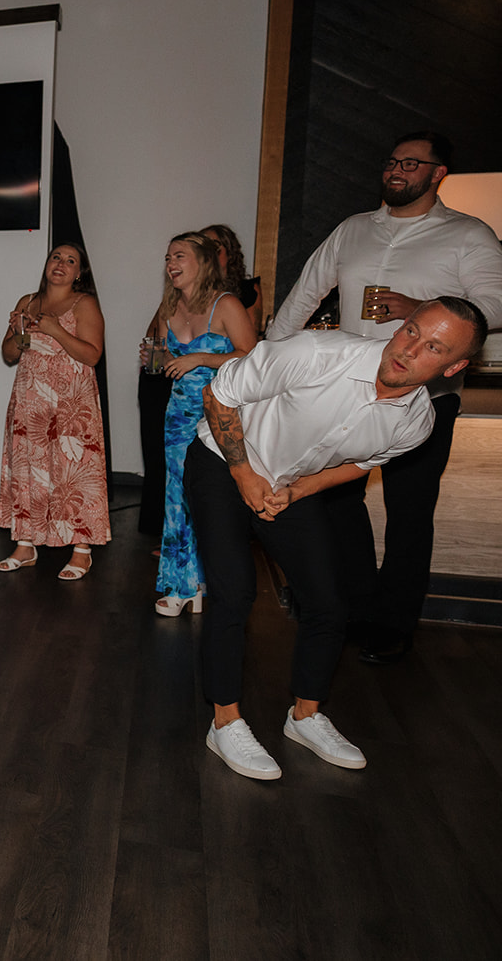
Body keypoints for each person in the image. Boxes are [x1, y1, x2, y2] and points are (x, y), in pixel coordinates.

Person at [190, 297, 485, 780]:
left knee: (329, 601)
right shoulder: (315, 352)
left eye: (433, 347)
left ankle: (304, 716)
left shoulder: (416, 423)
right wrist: (244, 475)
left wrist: (299, 490)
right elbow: (220, 395)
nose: (409, 349)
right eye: (411, 330)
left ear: (453, 367)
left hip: (291, 483)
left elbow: (362, 463)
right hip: (224, 462)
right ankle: (225, 722)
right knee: (234, 592)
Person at [268, 132, 502, 663]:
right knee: (336, 502)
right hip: (348, 391)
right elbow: (306, 291)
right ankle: (353, 604)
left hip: (426, 396)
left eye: (412, 163)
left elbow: (496, 303)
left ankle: (392, 623)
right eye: (393, 162)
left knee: (409, 510)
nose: (397, 170)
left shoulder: (468, 235)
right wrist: (270, 359)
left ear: (438, 173)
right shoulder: (353, 230)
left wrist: (419, 308)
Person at [150, 233, 257, 615]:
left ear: (203, 262)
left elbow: (251, 358)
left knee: (212, 502)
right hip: (179, 416)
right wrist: (156, 356)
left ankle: (210, 582)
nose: (170, 262)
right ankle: (183, 585)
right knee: (176, 500)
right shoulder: (169, 307)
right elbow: (165, 363)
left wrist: (198, 358)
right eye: (167, 256)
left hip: (219, 417)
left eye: (178, 255)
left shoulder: (226, 304)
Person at [0, 241, 110, 579]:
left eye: (70, 260)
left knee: (72, 471)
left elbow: (92, 356)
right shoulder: (27, 301)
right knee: (28, 468)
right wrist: (20, 334)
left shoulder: (84, 303)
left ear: (79, 273)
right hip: (31, 399)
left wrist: (55, 330)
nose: (60, 263)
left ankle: (81, 550)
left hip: (71, 402)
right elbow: (8, 353)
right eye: (55, 257)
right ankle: (25, 543)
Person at [201, 223, 263, 335]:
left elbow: (250, 338)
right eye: (203, 249)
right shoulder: (188, 289)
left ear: (230, 254)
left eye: (215, 248)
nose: (209, 254)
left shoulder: (248, 290)